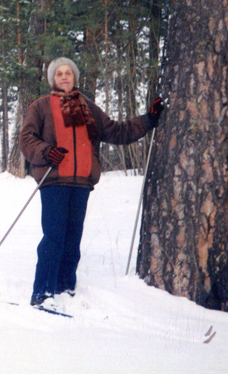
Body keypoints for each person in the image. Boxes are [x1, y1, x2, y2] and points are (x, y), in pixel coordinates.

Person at [19, 57, 163, 308]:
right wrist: (46, 151)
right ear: (53, 79)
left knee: (73, 240)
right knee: (54, 238)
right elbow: (27, 139)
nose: (64, 77)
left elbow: (118, 132)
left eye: (68, 73)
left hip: (81, 183)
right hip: (54, 180)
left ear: (74, 77)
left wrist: (148, 120)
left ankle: (65, 289)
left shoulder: (88, 108)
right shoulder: (41, 107)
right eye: (59, 74)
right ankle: (42, 292)